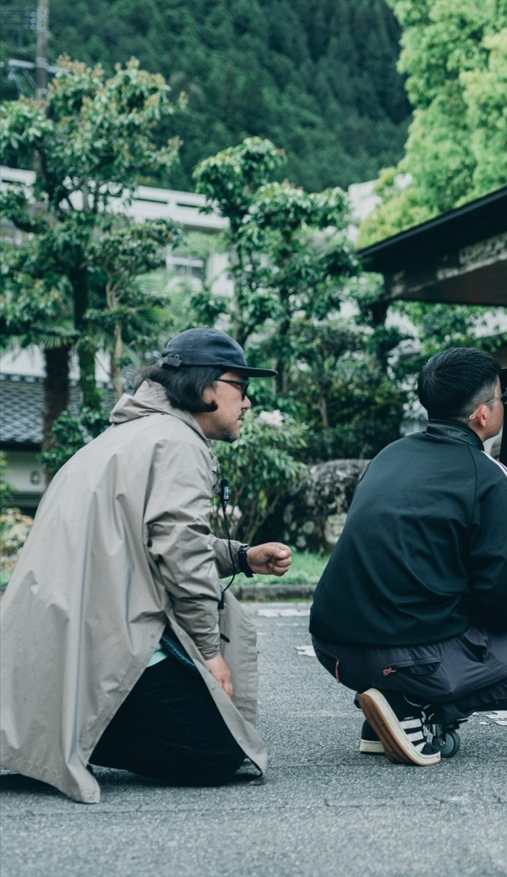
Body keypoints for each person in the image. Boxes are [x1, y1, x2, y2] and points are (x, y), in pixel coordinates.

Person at [0, 328, 293, 803]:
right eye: (241, 387)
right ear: (204, 388)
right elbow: (179, 552)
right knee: (214, 751)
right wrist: (209, 651)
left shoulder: (127, 437)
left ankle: (54, 726)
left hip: (74, 627)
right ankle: (70, 734)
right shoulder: (178, 444)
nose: (248, 403)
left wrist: (241, 556)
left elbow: (158, 539)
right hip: (112, 633)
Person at [309, 347, 507, 767]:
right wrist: (499, 631)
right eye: (501, 397)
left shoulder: (388, 455)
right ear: (482, 416)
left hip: (333, 648)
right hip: (403, 658)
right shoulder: (489, 476)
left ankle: (383, 712)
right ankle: (409, 708)